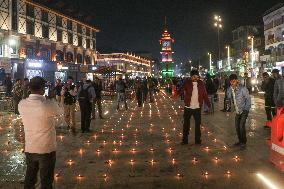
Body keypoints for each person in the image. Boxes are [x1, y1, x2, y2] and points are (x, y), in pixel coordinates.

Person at [18, 76, 62, 189]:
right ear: (43, 89)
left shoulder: (21, 104)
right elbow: (60, 111)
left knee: (30, 178)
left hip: (30, 147)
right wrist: (52, 99)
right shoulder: (47, 104)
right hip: (46, 149)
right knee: (46, 181)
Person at [181, 70, 211, 145]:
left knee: (198, 125)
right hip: (188, 107)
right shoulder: (187, 83)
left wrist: (208, 104)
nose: (195, 78)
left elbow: (205, 94)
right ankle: (185, 140)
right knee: (186, 124)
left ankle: (197, 140)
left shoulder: (201, 83)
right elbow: (181, 90)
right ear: (191, 77)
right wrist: (174, 95)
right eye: (194, 76)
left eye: (197, 76)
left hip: (197, 108)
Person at [227, 74, 251, 149]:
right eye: (231, 82)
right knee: (237, 127)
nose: (232, 83)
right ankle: (240, 141)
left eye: (233, 81)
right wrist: (231, 90)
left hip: (244, 110)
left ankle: (243, 142)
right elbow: (228, 97)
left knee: (241, 126)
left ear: (237, 80)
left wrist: (246, 109)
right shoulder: (230, 88)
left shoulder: (243, 88)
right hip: (237, 110)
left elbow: (248, 99)